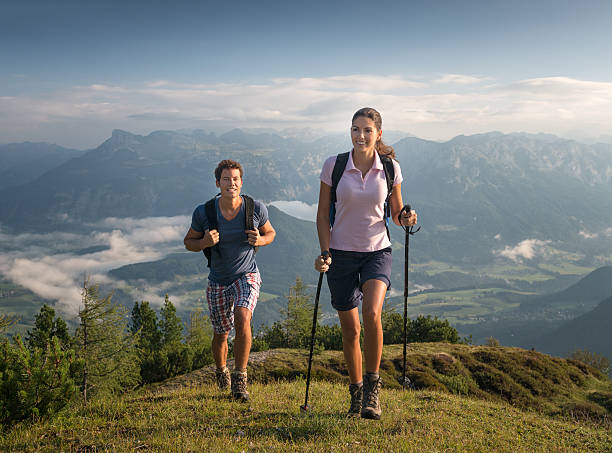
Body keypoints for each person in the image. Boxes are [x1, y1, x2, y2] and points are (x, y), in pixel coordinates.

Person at [314, 107, 417, 419]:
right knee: (351, 331)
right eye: (355, 129)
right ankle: (356, 392)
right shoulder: (334, 166)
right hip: (340, 255)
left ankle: (373, 389)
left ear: (378, 134)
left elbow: (397, 213)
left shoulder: (389, 167)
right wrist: (325, 251)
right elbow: (321, 214)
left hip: (377, 251)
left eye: (367, 130)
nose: (360, 135)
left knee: (371, 313)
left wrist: (407, 218)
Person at [184, 159, 276, 401]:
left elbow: (271, 233)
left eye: (235, 179)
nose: (231, 183)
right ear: (217, 183)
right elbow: (188, 242)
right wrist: (203, 242)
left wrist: (260, 240)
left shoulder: (255, 208)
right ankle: (221, 370)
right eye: (226, 179)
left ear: (241, 182)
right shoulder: (204, 212)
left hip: (247, 274)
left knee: (243, 316)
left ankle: (240, 378)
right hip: (218, 280)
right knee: (221, 334)